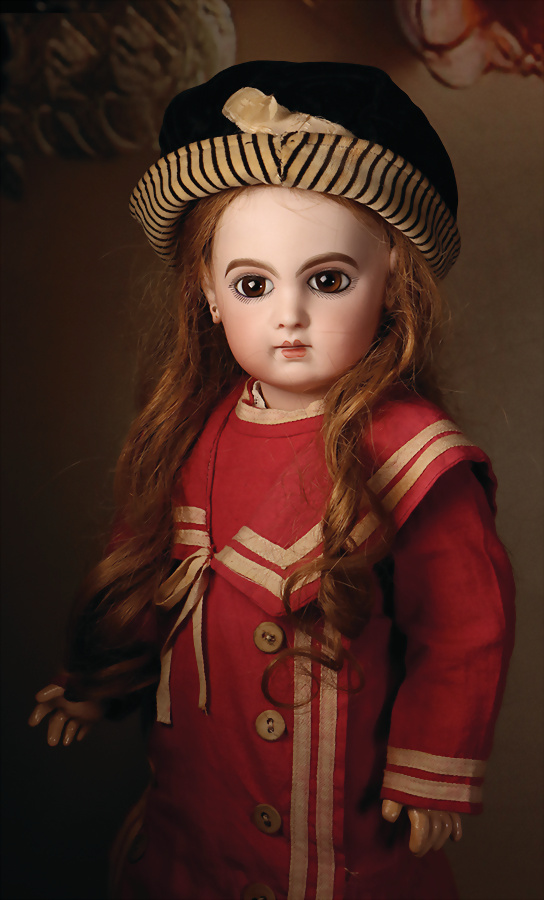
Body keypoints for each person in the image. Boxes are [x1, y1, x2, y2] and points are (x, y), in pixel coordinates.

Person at [29, 61, 515, 900]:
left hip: (331, 836)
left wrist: (432, 763)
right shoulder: (190, 433)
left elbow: (464, 627)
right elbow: (144, 575)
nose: (289, 315)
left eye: (327, 280)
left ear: (391, 282)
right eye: (253, 284)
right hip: (195, 814)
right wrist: (96, 682)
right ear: (210, 295)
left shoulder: (411, 454)